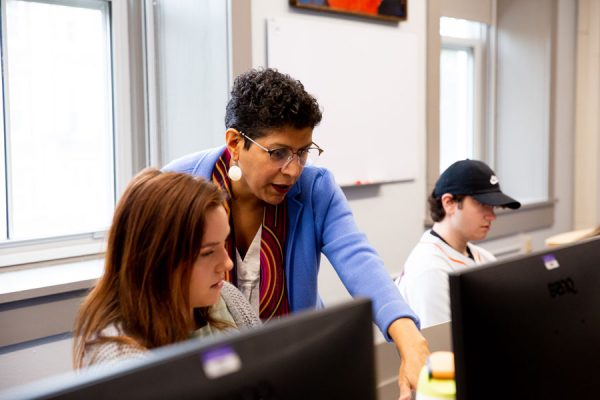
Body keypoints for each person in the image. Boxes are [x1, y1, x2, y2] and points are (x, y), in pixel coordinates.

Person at [163, 67, 429, 398]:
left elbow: (359, 260)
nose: (293, 170)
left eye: (303, 152)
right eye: (278, 153)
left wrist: (409, 339)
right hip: (206, 370)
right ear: (235, 142)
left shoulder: (315, 188)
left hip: (292, 362)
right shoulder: (176, 187)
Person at [73, 168, 261, 368]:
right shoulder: (121, 362)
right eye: (207, 252)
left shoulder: (227, 298)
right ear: (156, 259)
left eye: (224, 243)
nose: (227, 263)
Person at [395, 159, 521, 328]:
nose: (492, 216)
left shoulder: (484, 257)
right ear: (449, 203)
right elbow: (442, 348)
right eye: (482, 204)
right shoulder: (430, 270)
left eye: (493, 207)